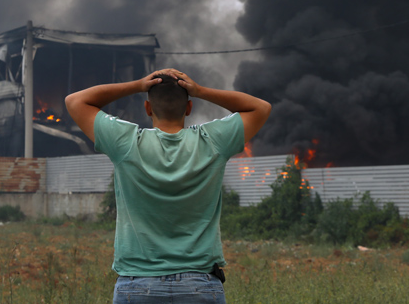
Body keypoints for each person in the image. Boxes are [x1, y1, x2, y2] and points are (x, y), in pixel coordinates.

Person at [65, 68, 272, 303]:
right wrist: (200, 90)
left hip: (137, 284)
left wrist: (138, 85)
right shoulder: (213, 141)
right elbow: (261, 108)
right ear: (189, 108)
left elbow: (75, 101)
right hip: (200, 285)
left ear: (148, 108)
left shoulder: (126, 142)